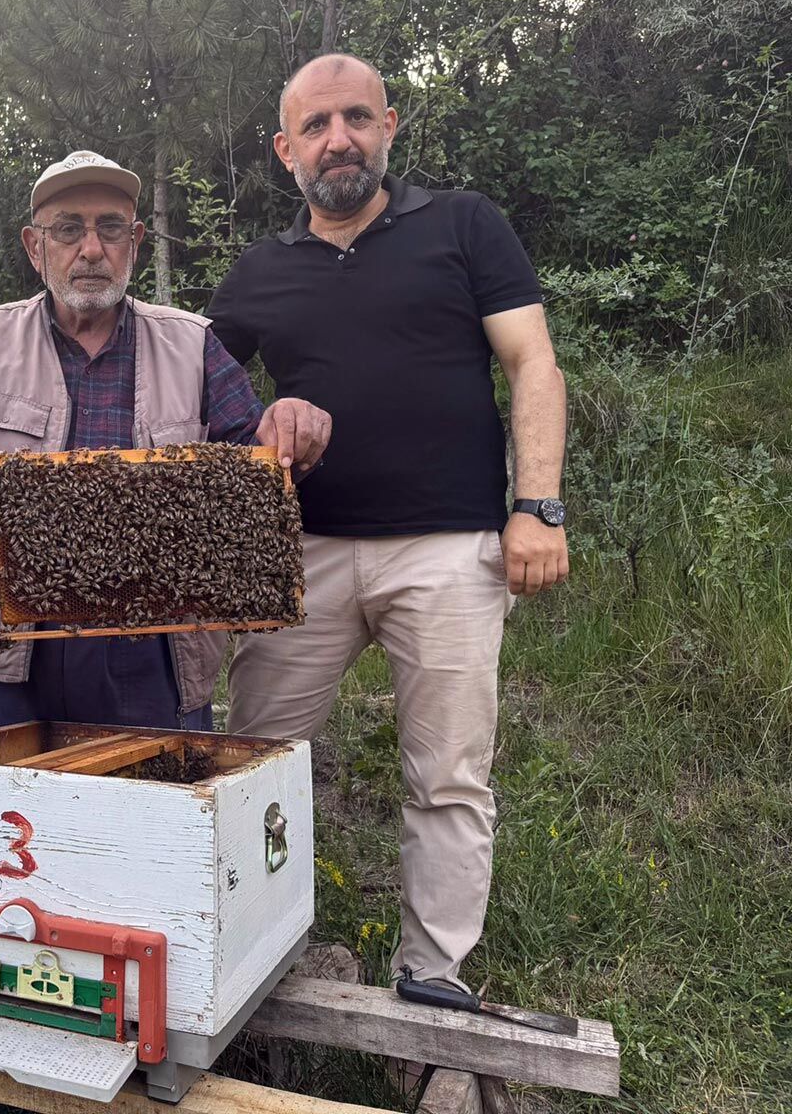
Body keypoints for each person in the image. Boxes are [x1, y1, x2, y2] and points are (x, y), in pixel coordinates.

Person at [207, 54, 569, 989]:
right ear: (286, 150)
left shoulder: (464, 225)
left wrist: (536, 508)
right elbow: (200, 399)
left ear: (389, 127)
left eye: (357, 118)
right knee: (248, 758)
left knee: (448, 774)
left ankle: (434, 972)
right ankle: (238, 944)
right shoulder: (257, 272)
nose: (340, 140)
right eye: (318, 126)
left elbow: (532, 364)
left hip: (449, 550)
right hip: (301, 557)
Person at [0, 150, 331, 731]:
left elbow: (263, 461)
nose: (90, 249)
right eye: (68, 228)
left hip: (159, 654)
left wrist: (293, 428)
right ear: (35, 245)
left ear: (136, 241)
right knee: (18, 817)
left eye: (110, 228)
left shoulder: (194, 346)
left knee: (161, 814)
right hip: (20, 651)